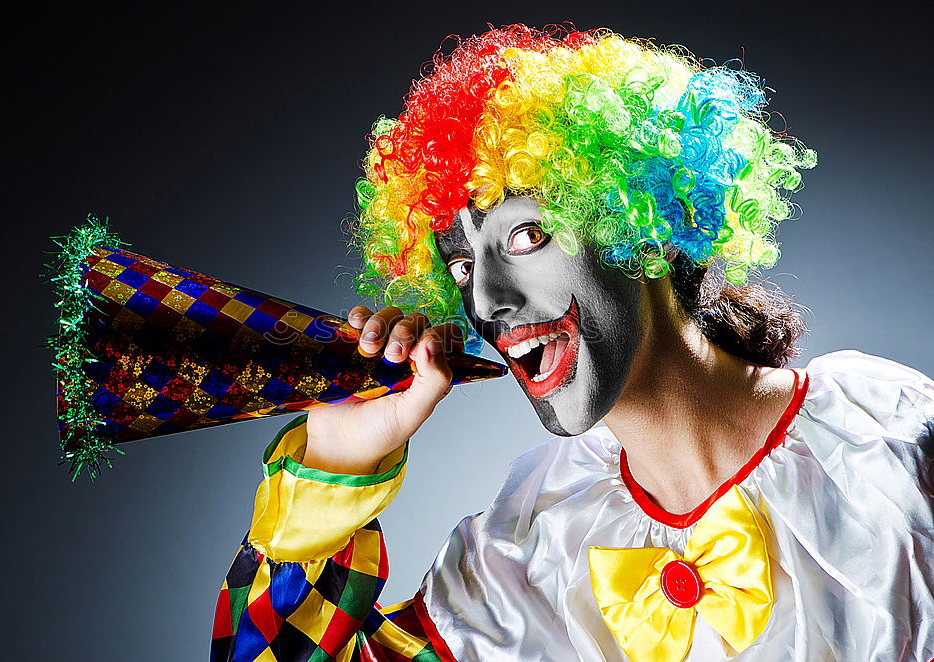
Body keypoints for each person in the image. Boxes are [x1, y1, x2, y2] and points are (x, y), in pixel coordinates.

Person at [210, 26, 934, 661]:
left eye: (526, 235)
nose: (487, 300)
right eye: (462, 265)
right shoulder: (530, 546)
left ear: (643, 224)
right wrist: (340, 457)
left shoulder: (887, 435)